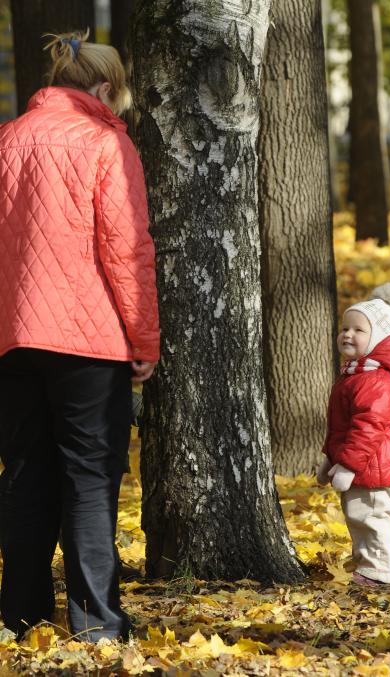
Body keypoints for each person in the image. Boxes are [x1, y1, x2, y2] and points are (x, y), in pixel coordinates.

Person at [0, 30, 160, 641]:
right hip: (88, 340)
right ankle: (96, 623)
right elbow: (127, 249)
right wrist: (144, 339)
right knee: (90, 479)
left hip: (15, 337)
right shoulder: (105, 144)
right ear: (103, 87)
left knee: (23, 472)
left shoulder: (10, 138)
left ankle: (21, 615)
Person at [317, 283, 390, 586]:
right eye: (345, 328)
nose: (347, 334)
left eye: (358, 330)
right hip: (366, 465)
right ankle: (368, 566)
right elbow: (342, 428)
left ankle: (377, 573)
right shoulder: (357, 376)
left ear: (379, 340)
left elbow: (367, 429)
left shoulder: (375, 381)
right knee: (359, 518)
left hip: (374, 467)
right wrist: (330, 459)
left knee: (371, 518)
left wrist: (347, 465)